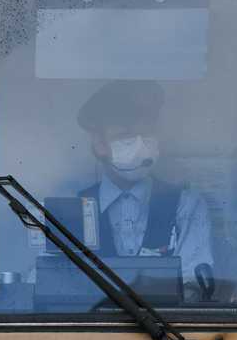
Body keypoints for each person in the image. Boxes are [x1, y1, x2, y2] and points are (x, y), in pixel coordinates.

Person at [76, 78, 215, 302]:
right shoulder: (73, 209)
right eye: (125, 136)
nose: (140, 147)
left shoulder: (186, 204)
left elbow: (194, 288)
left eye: (146, 133)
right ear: (98, 143)